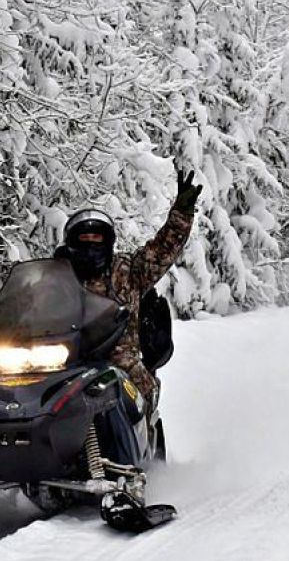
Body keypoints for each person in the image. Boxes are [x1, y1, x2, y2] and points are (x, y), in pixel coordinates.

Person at [56, 166, 202, 410]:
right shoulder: (58, 274)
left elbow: (163, 250)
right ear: (72, 242)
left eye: (97, 239)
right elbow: (28, 304)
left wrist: (181, 213)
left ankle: (140, 436)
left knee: (134, 385)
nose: (91, 245)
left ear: (108, 241)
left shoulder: (127, 270)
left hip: (117, 358)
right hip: (64, 358)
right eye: (84, 239)